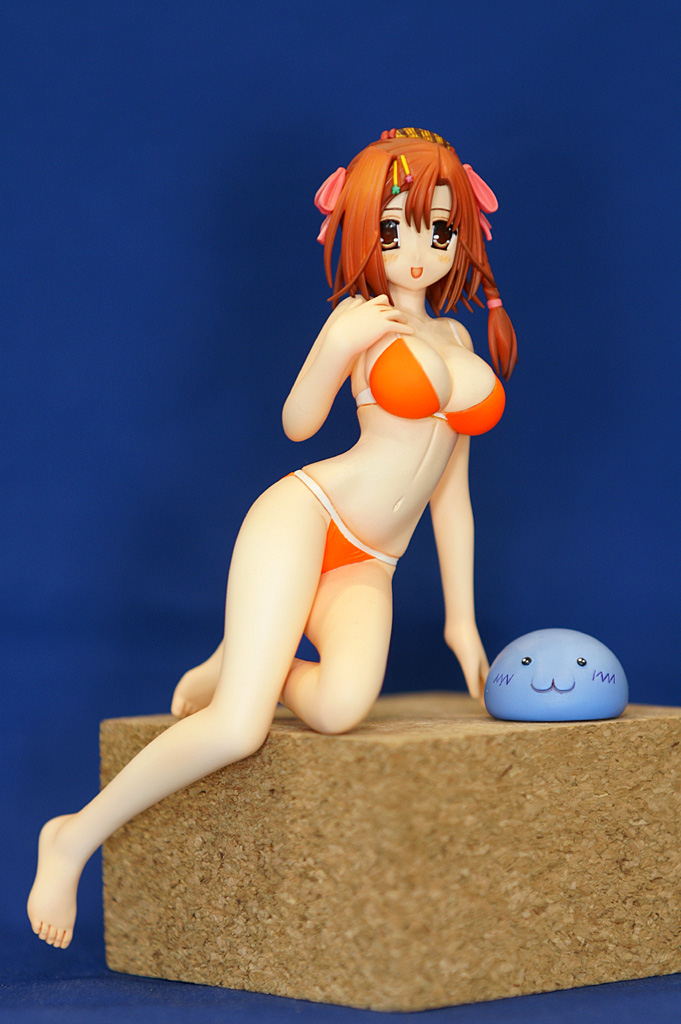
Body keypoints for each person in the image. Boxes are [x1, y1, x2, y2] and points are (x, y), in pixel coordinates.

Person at [28, 127, 518, 949]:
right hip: (307, 516)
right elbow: (297, 423)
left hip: (373, 561)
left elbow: (451, 498)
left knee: (340, 708)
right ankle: (72, 838)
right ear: (361, 232)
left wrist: (460, 622)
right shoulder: (358, 324)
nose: (417, 251)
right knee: (236, 728)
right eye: (393, 229)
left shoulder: (459, 341)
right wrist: (334, 348)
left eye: (438, 229)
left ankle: (255, 654)